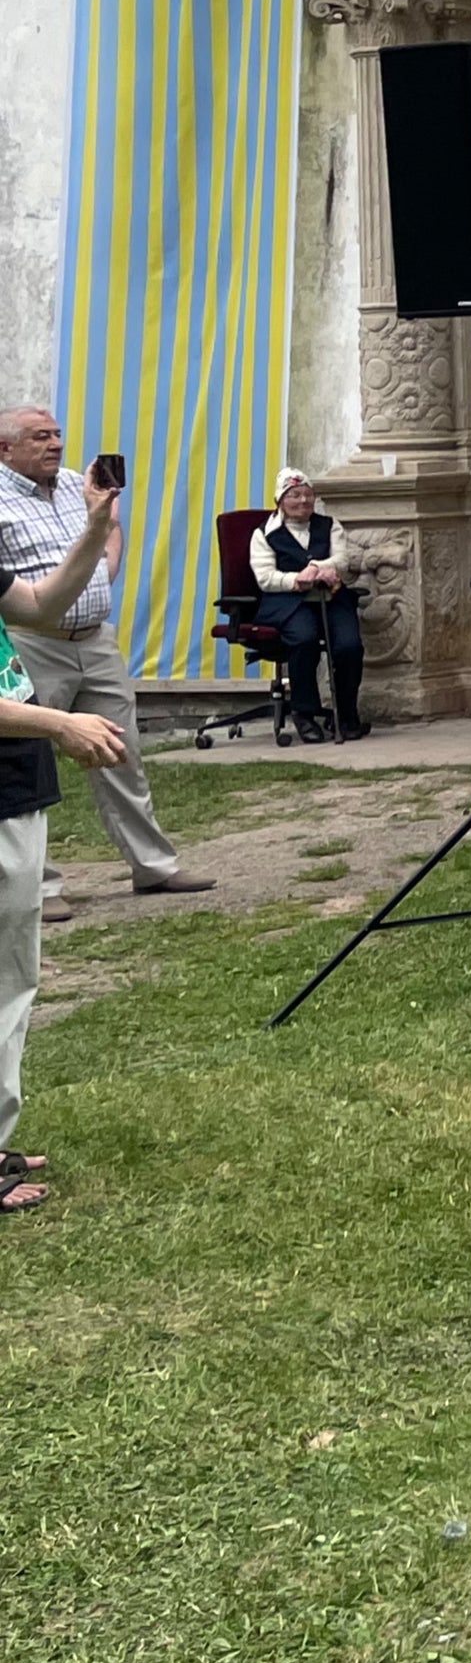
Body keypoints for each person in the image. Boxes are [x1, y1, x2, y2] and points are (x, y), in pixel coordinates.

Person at [0, 407, 213, 914]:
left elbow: (111, 524)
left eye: (57, 434)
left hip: (95, 640)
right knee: (31, 761)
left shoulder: (78, 483)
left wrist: (108, 562)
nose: (55, 443)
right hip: (33, 643)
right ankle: (41, 887)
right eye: (39, 437)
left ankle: (154, 866)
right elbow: (25, 601)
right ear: (5, 448)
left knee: (123, 751)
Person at [0, 476, 132, 1218]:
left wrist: (92, 527)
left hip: (16, 778)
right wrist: (58, 724)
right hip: (17, 760)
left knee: (14, 971)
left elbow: (41, 606)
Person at [250, 469, 367, 743]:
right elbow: (266, 578)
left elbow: (344, 559)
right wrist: (297, 580)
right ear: (280, 500)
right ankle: (304, 714)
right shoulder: (264, 534)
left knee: (350, 647)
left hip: (331, 597)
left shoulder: (330, 525)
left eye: (308, 495)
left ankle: (345, 714)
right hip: (288, 602)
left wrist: (317, 568)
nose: (303, 501)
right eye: (294, 495)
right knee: (303, 640)